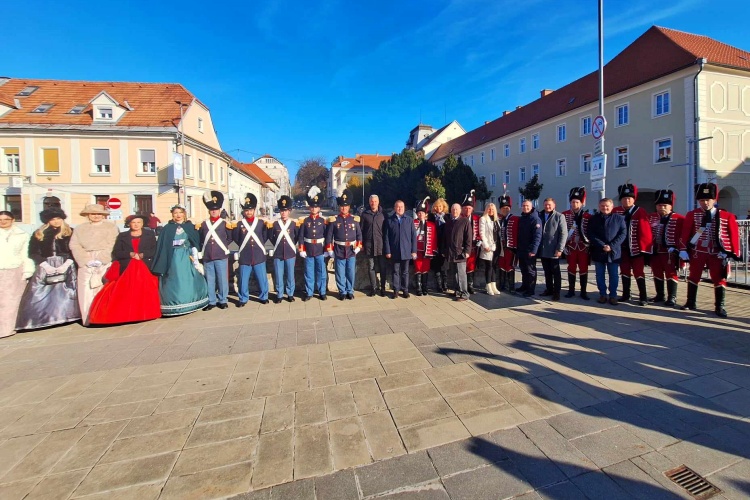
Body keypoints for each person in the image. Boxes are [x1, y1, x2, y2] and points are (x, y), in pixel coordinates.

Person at [679, 183, 740, 317]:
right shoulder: (692, 214)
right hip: (698, 251)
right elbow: (686, 233)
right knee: (693, 276)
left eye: (708, 200)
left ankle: (720, 306)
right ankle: (691, 302)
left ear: (714, 200)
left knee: (719, 278)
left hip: (717, 253)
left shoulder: (726, 215)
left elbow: (733, 235)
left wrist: (731, 252)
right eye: (702, 200)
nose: (705, 203)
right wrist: (683, 249)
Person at [16, 208, 81, 331]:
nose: (56, 221)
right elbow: (33, 252)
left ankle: (68, 315)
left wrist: (67, 263)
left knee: (67, 291)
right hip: (45, 264)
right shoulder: (39, 233)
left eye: (58, 218)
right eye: (53, 219)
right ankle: (43, 318)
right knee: (40, 292)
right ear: (47, 221)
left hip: (67, 263)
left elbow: (75, 249)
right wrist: (45, 265)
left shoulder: (71, 232)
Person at [88, 214, 160, 324]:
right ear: (129, 224)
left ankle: (146, 313)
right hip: (127, 267)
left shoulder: (149, 234)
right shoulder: (122, 236)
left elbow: (154, 249)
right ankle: (126, 315)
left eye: (138, 222)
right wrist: (129, 254)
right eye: (133, 222)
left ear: (142, 223)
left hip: (145, 265)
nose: (136, 225)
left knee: (145, 291)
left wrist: (142, 255)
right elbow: (116, 252)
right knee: (126, 292)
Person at [152, 205, 209, 315]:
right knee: (173, 278)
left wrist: (196, 257)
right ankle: (174, 304)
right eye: (175, 213)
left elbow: (195, 242)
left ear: (184, 214)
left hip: (186, 256)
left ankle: (192, 301)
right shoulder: (167, 228)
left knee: (188, 278)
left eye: (180, 213)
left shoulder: (190, 227)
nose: (178, 215)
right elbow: (162, 245)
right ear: (172, 215)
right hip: (172, 257)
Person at [69, 204, 119, 325]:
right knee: (85, 289)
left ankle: (104, 316)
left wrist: (103, 258)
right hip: (86, 259)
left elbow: (114, 243)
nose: (96, 216)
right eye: (93, 214)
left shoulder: (111, 227)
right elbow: (74, 245)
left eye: (99, 214)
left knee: (104, 287)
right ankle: (88, 318)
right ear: (88, 215)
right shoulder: (79, 228)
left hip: (105, 259)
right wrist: (85, 260)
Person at [613, 183, 653, 306]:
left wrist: (644, 249)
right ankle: (626, 294)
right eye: (624, 198)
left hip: (636, 249)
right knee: (624, 272)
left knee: (639, 273)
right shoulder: (616, 211)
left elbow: (645, 231)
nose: (626, 200)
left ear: (634, 199)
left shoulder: (640, 211)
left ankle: (643, 297)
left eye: (629, 198)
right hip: (621, 249)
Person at [648, 188, 685, 307]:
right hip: (655, 251)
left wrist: (678, 248)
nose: (661, 207)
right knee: (657, 272)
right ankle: (660, 295)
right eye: (659, 205)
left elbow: (683, 235)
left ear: (670, 206)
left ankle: (672, 297)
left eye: (664, 205)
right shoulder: (651, 217)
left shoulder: (679, 218)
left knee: (671, 273)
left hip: (670, 252)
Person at [0, 211, 35, 337]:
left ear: (13, 220)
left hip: (15, 270)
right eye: (0, 219)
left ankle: (8, 328)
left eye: (6, 219)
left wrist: (28, 270)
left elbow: (26, 254)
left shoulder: (22, 235)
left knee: (12, 301)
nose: (3, 222)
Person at [233, 193, 270, 306]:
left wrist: (268, 249)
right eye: (246, 210)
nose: (249, 212)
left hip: (259, 255)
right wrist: (235, 252)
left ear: (254, 210)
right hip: (245, 255)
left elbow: (266, 237)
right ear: (243, 211)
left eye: (251, 210)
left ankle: (264, 296)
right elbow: (235, 239)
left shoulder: (261, 223)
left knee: (262, 278)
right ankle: (243, 298)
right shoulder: (239, 224)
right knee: (243, 280)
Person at [198, 191, 232, 311]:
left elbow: (230, 237)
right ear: (209, 211)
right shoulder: (203, 224)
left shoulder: (224, 224)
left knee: (222, 279)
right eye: (212, 209)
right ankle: (211, 301)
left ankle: (223, 300)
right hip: (208, 255)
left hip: (221, 254)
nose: (214, 211)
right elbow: (201, 238)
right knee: (210, 279)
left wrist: (223, 246)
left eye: (216, 209)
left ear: (219, 210)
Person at [325, 189, 362, 300]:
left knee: (351, 272)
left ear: (349, 207)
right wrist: (330, 249)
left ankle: (350, 291)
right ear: (339, 207)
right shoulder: (334, 220)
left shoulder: (354, 219)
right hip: (339, 250)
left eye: (345, 206)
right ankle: (342, 291)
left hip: (351, 250)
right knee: (340, 273)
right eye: (341, 206)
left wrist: (358, 248)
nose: (344, 208)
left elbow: (359, 235)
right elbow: (329, 236)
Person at [589, 198, 627, 305]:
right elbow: (591, 234)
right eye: (602, 206)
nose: (605, 208)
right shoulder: (594, 219)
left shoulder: (619, 218)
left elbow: (623, 234)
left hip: (614, 252)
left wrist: (611, 246)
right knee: (599, 275)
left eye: (607, 206)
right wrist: (602, 245)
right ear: (599, 206)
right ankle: (602, 294)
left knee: (614, 275)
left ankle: (613, 295)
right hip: (599, 250)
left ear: (612, 206)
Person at [298, 186, 328, 301]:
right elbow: (301, 236)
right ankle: (309, 292)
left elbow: (327, 237)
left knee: (321, 272)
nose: (314, 209)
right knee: (308, 273)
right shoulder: (305, 221)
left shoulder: (323, 221)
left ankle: (322, 292)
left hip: (320, 250)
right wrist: (301, 249)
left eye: (316, 207)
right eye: (312, 207)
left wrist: (326, 249)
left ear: (319, 208)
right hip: (309, 250)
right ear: (310, 207)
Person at [384, 200, 417, 299]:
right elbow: (386, 237)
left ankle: (405, 290)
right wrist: (388, 251)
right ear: (394, 208)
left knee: (405, 272)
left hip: (406, 251)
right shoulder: (389, 220)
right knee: (395, 271)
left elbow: (413, 237)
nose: (400, 208)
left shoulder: (409, 220)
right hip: (394, 251)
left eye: (401, 207)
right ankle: (396, 290)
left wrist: (414, 250)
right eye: (398, 207)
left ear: (404, 208)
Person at [562, 187, 591, 300]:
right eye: (573, 202)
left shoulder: (587, 216)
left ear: (581, 203)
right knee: (571, 268)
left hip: (583, 247)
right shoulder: (564, 215)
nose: (574, 204)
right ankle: (571, 290)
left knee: (584, 269)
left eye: (577, 202)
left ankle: (583, 291)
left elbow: (590, 232)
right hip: (571, 247)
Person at [538, 198, 568, 301]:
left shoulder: (559, 216)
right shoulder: (539, 215)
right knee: (547, 272)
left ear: (554, 205)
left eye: (549, 205)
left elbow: (563, 234)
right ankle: (549, 289)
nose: (547, 206)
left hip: (554, 249)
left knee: (555, 272)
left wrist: (560, 249)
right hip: (543, 249)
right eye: (546, 204)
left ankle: (556, 292)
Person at [271, 195, 299, 303]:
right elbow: (271, 237)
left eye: (286, 210)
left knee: (290, 275)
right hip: (278, 253)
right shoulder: (274, 224)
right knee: (278, 275)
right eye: (282, 210)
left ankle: (290, 294)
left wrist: (290, 245)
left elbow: (296, 237)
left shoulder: (293, 224)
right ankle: (279, 294)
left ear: (289, 211)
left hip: (290, 253)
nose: (283, 213)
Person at [443, 203, 472, 301]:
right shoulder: (449, 222)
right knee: (454, 273)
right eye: (453, 209)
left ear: (460, 211)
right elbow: (446, 238)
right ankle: (457, 291)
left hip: (461, 252)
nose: (454, 211)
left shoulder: (465, 221)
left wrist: (467, 251)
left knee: (461, 273)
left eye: (456, 209)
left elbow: (468, 238)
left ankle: (464, 293)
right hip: (451, 252)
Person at [360, 194, 386, 297]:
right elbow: (361, 230)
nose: (373, 203)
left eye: (375, 201)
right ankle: (373, 288)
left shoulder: (383, 214)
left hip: (381, 245)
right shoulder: (365, 214)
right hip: (369, 245)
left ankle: (383, 288)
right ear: (369, 202)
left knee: (383, 267)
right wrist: (361, 244)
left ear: (378, 202)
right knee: (371, 267)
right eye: (371, 201)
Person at [516, 200, 542, 297]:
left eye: (527, 206)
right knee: (523, 269)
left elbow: (537, 236)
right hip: (522, 249)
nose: (525, 207)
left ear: (531, 207)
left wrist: (533, 250)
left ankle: (531, 289)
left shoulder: (535, 219)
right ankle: (524, 286)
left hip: (530, 250)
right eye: (523, 206)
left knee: (530, 270)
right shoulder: (523, 217)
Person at [413, 197, 437, 296]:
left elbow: (434, 238)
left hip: (427, 251)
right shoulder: (413, 223)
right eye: (419, 213)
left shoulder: (431, 225)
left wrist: (434, 250)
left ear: (425, 214)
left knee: (425, 268)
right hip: (417, 250)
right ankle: (418, 288)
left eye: (422, 213)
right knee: (418, 268)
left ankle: (424, 287)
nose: (420, 214)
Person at [496, 194, 519, 294]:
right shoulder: (499, 219)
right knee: (501, 265)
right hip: (501, 246)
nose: (505, 210)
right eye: (503, 208)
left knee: (510, 266)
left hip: (511, 247)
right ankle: (502, 284)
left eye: (507, 208)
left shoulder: (515, 219)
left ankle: (511, 286)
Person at [461, 190, 481, 294]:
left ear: (472, 208)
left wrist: (479, 239)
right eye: (465, 208)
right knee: (462, 266)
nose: (467, 210)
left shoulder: (477, 218)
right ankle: (462, 286)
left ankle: (470, 285)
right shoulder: (460, 218)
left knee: (471, 265)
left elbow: (480, 231)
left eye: (469, 208)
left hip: (473, 246)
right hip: (462, 247)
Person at [429, 198, 450, 293]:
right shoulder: (431, 217)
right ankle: (439, 285)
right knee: (436, 266)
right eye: (437, 206)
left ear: (444, 207)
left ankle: (445, 284)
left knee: (444, 266)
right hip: (434, 244)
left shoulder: (447, 217)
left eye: (440, 206)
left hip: (444, 244)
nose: (438, 208)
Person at [478, 203, 499, 295]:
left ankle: (494, 285)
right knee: (489, 266)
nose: (491, 211)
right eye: (489, 209)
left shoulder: (496, 220)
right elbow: (482, 233)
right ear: (486, 209)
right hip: (488, 246)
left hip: (496, 246)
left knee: (494, 266)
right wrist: (485, 245)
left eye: (493, 209)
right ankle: (488, 285)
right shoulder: (483, 219)